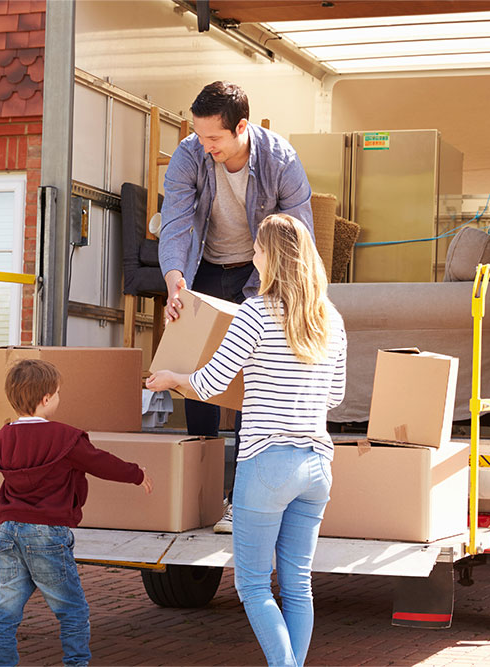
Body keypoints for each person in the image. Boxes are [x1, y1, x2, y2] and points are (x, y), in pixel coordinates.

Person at [148, 213, 346, 667]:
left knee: (253, 585)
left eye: (257, 249)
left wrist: (172, 378)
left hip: (266, 462)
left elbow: (213, 381)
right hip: (317, 464)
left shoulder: (255, 313)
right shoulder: (330, 319)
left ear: (272, 257)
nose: (252, 256)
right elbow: (334, 395)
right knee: (297, 583)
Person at [158, 80, 315, 533]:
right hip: (204, 268)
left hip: (261, 274)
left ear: (241, 127)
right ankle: (202, 495)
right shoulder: (191, 154)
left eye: (214, 139)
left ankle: (241, 500)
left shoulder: (280, 160)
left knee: (253, 380)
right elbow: (176, 222)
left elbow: (296, 235)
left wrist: (274, 297)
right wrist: (175, 282)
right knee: (197, 370)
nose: (204, 146)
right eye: (199, 135)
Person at [0, 359, 154, 667]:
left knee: (6, 608)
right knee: (72, 608)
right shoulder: (65, 438)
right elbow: (100, 462)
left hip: (9, 530)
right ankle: (76, 663)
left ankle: (0, 663)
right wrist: (136, 474)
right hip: (48, 532)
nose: (59, 398)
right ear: (46, 398)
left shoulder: (2, 438)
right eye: (58, 393)